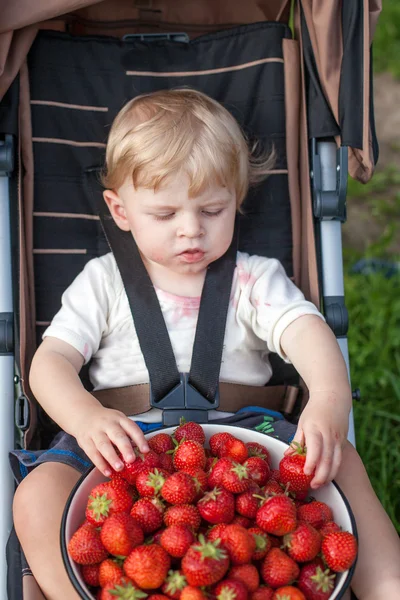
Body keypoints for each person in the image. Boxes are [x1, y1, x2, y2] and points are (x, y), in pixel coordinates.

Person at [12, 89, 400, 600]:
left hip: (243, 446)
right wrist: (84, 417)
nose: (191, 230)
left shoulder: (254, 279)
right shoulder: (102, 282)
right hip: (122, 445)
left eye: (213, 209)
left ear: (236, 200)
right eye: (165, 214)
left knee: (338, 459)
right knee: (37, 495)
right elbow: (50, 362)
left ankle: (387, 587)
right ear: (120, 210)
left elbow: (307, 332)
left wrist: (328, 401)